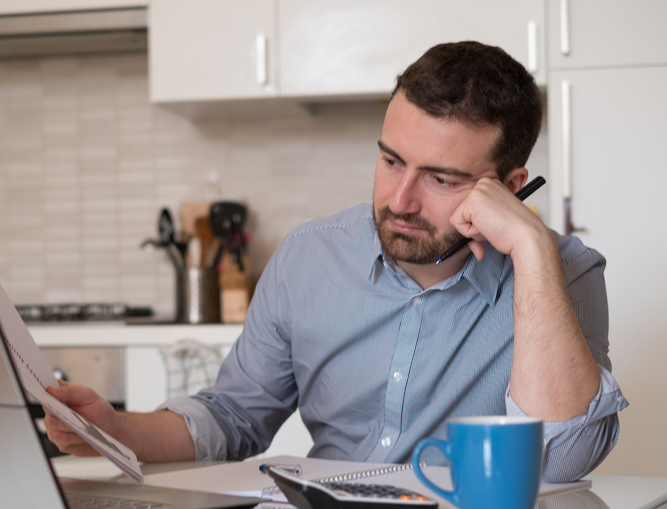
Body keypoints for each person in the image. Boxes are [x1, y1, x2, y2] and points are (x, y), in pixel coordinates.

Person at [44, 41, 627, 483]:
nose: (400, 200)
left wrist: (529, 249)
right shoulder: (310, 256)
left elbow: (563, 458)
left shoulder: (563, 271)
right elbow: (234, 416)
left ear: (511, 185)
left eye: (441, 178)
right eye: (391, 161)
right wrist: (116, 431)